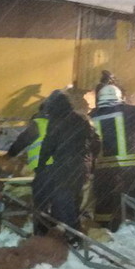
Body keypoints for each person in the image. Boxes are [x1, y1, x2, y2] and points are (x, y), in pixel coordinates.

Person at [89, 85, 135, 230]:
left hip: (103, 164)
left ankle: (103, 224)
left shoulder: (92, 114)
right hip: (127, 161)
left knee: (104, 194)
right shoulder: (127, 110)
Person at [35, 90, 99, 235]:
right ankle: (72, 230)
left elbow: (48, 145)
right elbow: (96, 142)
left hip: (64, 166)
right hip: (82, 166)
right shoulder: (83, 119)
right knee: (75, 198)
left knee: (63, 200)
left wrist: (41, 165)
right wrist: (90, 161)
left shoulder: (56, 122)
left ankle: (72, 234)